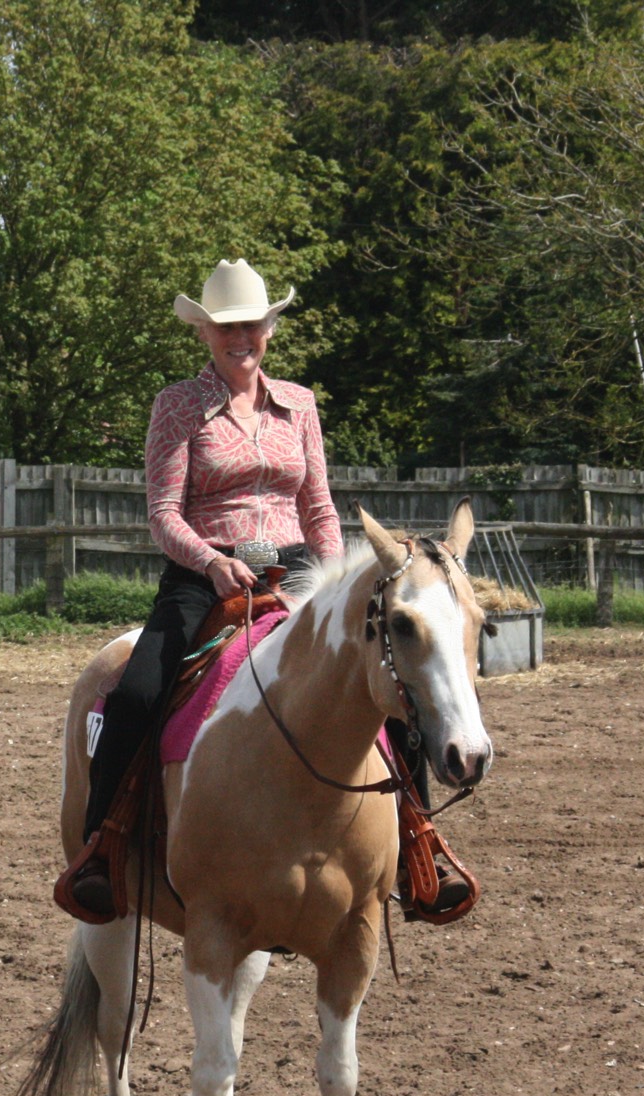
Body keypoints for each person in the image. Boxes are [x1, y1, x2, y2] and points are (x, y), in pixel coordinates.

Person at [64, 257, 473, 923]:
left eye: (251, 324)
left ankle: (420, 846)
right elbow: (164, 514)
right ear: (203, 333)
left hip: (297, 574)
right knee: (137, 690)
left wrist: (336, 581)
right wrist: (211, 562)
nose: (240, 336)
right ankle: (103, 848)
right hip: (207, 575)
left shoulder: (300, 405)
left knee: (388, 681)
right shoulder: (177, 407)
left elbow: (318, 509)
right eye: (226, 326)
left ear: (269, 331)